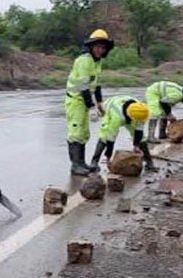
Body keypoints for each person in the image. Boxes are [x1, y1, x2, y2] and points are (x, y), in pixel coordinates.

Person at [65, 29, 115, 175]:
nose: (100, 50)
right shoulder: (84, 61)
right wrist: (91, 106)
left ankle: (81, 163)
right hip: (75, 100)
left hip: (83, 101)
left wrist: (99, 102)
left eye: (103, 47)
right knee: (76, 132)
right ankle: (75, 165)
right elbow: (83, 86)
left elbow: (96, 84)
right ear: (91, 46)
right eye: (98, 47)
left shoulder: (97, 62)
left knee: (84, 133)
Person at [88, 95, 157, 173]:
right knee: (105, 136)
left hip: (128, 108)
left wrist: (136, 145)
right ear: (132, 117)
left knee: (142, 138)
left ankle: (149, 163)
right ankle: (94, 162)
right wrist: (108, 156)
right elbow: (111, 138)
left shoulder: (141, 110)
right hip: (110, 109)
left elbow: (139, 130)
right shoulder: (116, 117)